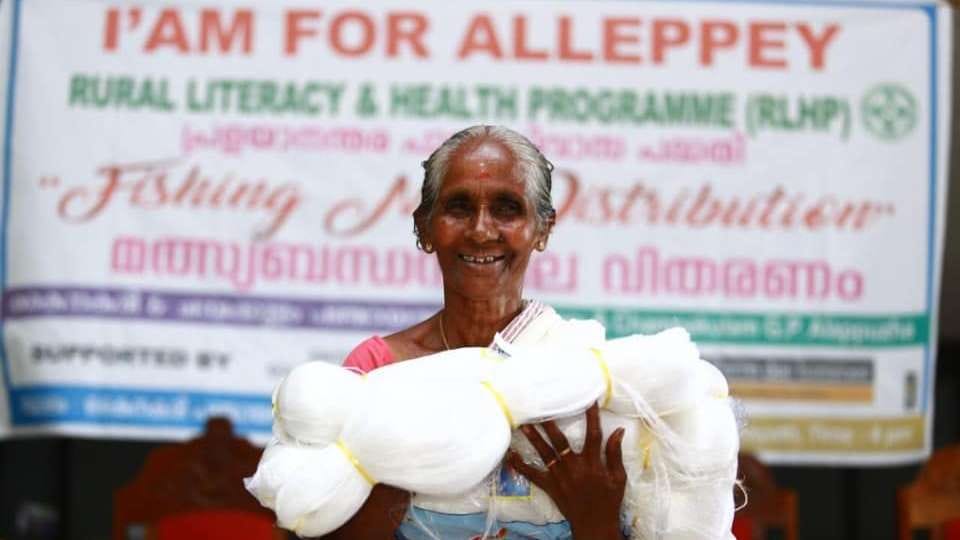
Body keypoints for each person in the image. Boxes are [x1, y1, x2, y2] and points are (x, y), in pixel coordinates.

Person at [326, 125, 627, 540]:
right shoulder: (378, 372)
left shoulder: (581, 375)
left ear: (543, 229)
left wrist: (597, 521)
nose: (482, 230)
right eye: (459, 207)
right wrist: (388, 464)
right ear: (424, 228)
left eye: (507, 208)